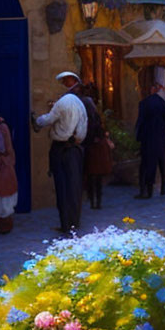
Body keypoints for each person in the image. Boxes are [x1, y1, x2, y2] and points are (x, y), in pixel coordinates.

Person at [33, 72, 87, 233]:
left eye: (65, 81)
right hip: (75, 148)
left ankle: (66, 223)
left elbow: (48, 119)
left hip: (63, 148)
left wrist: (36, 121)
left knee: (63, 187)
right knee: (75, 186)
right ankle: (74, 221)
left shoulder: (64, 102)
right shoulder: (80, 103)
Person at [135, 81, 165, 199]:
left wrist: (138, 137)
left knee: (146, 164)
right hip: (160, 136)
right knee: (161, 162)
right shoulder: (162, 103)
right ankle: (163, 187)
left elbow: (140, 121)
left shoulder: (144, 103)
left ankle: (147, 191)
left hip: (148, 137)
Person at [81, 82, 112, 210]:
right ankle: (96, 201)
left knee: (91, 175)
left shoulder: (86, 109)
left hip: (91, 146)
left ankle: (93, 200)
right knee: (96, 176)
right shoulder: (94, 113)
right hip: (97, 145)